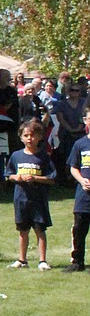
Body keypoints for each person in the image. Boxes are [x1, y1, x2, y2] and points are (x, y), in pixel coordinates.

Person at [6, 118, 56, 270]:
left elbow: (52, 178)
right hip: (21, 199)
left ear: (40, 137)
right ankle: (22, 259)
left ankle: (42, 260)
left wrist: (36, 178)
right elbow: (9, 174)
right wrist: (16, 177)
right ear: (21, 137)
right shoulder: (16, 156)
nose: (29, 138)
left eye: (33, 135)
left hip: (38, 199)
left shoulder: (43, 157)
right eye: (26, 135)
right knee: (23, 230)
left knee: (40, 229)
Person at [64, 105, 90, 273]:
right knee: (79, 228)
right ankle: (77, 261)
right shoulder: (80, 144)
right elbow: (73, 167)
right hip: (84, 195)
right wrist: (82, 180)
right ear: (86, 121)